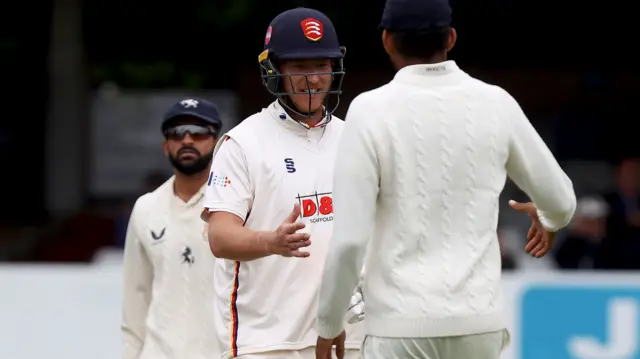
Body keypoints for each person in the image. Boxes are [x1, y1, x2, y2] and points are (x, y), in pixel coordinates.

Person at [314, 0, 577, 358]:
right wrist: (549, 218)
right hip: (477, 326)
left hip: (399, 328)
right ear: (450, 38)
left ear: (387, 40)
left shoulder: (369, 109)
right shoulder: (495, 102)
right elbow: (561, 202)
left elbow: (349, 241)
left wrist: (329, 324)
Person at [201, 7, 363, 359]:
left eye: (321, 66)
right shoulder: (243, 142)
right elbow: (219, 236)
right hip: (266, 342)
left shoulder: (356, 139)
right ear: (275, 70)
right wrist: (270, 241)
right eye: (300, 67)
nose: (313, 79)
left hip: (346, 337)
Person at [121, 98, 222, 359]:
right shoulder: (146, 207)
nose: (187, 140)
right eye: (177, 133)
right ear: (166, 146)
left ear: (216, 142)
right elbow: (136, 296)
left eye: (199, 132)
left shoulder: (236, 204)